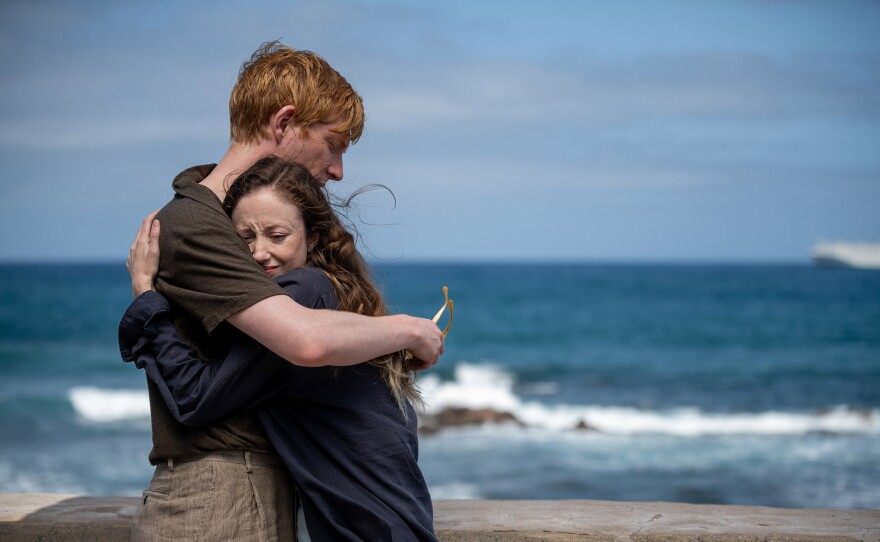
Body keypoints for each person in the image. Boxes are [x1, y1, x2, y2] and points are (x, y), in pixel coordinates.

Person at [127, 41, 443, 541]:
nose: (337, 169)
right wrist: (407, 330)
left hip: (258, 483)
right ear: (284, 123)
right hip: (223, 490)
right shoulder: (195, 224)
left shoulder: (232, 215)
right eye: (333, 144)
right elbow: (303, 340)